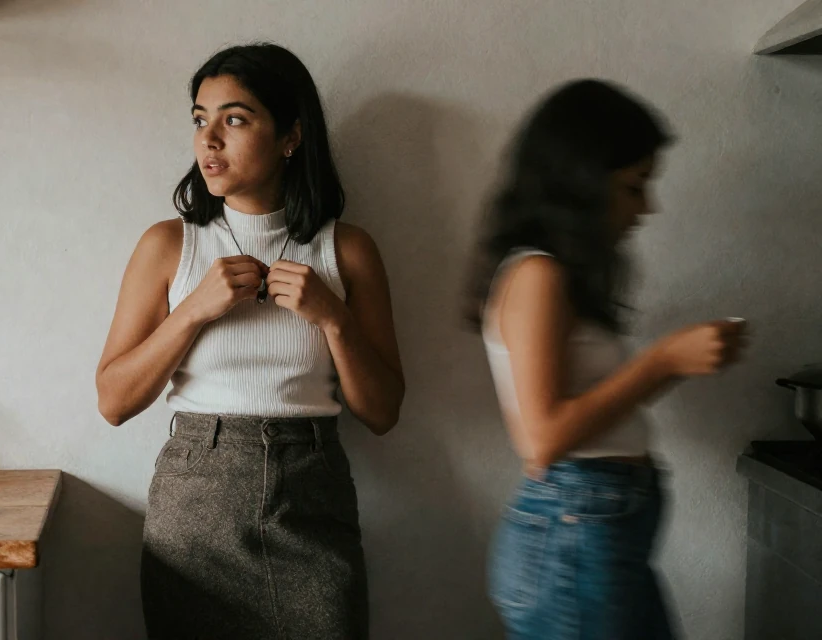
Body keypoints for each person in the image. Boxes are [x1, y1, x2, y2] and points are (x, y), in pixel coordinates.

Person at [95, 43, 405, 639]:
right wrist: (193, 311)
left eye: (234, 119)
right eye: (199, 119)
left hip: (313, 501)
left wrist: (334, 319)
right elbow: (113, 401)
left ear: (291, 137)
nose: (209, 139)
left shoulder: (348, 250)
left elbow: (384, 412)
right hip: (196, 508)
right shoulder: (168, 246)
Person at [467, 79, 748, 639]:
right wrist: (664, 361)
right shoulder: (537, 275)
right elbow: (542, 439)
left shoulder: (557, 276)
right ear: (580, 182)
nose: (647, 207)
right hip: (575, 535)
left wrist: (679, 362)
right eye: (634, 186)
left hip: (592, 532)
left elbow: (594, 412)